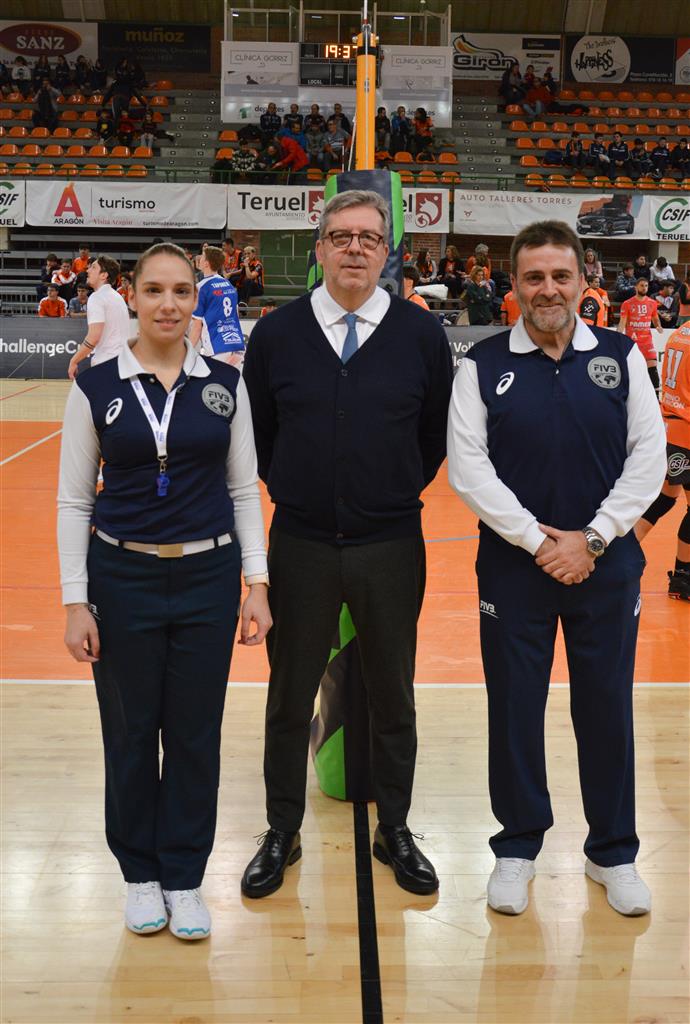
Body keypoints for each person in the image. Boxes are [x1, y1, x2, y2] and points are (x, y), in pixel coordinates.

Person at [447, 219, 665, 918]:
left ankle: (613, 853)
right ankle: (517, 847)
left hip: (607, 564)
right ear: (514, 285)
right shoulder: (481, 365)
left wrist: (592, 539)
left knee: (606, 707)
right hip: (515, 569)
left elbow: (649, 457)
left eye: (560, 276)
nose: (549, 289)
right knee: (515, 706)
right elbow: (467, 468)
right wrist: (536, 542)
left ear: (582, 282)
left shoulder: (622, 356)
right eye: (535, 277)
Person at [241, 189, 452, 899]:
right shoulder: (277, 334)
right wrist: (301, 488)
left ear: (388, 250)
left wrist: (385, 489)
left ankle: (395, 827)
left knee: (394, 694)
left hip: (390, 542)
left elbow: (433, 436)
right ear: (320, 249)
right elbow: (259, 437)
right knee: (288, 696)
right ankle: (281, 830)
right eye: (341, 236)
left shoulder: (420, 334)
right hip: (300, 542)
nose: (355, 248)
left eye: (368, 237)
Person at [57, 241, 271, 941]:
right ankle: (139, 875)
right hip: (122, 579)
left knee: (194, 735)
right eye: (154, 290)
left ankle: (183, 875)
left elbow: (244, 490)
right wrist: (75, 600)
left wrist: (256, 582)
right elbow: (73, 502)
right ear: (134, 297)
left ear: (196, 300)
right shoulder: (96, 385)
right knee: (129, 732)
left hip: (208, 577)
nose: (168, 304)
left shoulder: (225, 383)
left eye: (182, 291)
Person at [634, 321, 690, 601]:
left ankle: (620, 552)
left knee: (666, 498)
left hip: (669, 426)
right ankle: (683, 576)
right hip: (687, 430)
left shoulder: (681, 332)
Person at [67, 255, 131, 380]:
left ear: (103, 275)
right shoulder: (117, 296)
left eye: (93, 267)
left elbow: (94, 337)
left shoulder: (97, 297)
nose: (87, 270)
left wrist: (74, 360)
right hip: (122, 363)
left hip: (107, 363)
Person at [187, 245, 245, 365]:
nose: (199, 259)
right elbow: (236, 315)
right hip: (237, 346)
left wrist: (187, 352)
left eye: (202, 257)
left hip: (217, 348)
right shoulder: (228, 284)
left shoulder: (201, 288)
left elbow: (197, 326)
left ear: (206, 263)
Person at [618, 276, 663, 392]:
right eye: (642, 285)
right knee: (632, 370)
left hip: (647, 341)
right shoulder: (627, 303)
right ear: (636, 287)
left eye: (646, 286)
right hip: (632, 342)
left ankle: (656, 396)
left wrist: (658, 326)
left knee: (652, 366)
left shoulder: (652, 303)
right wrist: (618, 336)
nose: (644, 288)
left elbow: (655, 318)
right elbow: (622, 322)